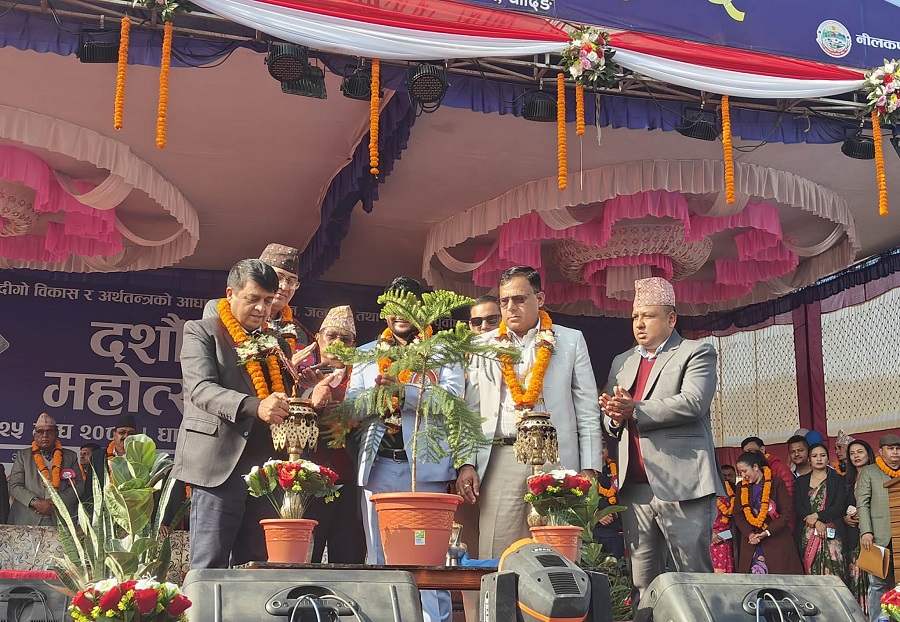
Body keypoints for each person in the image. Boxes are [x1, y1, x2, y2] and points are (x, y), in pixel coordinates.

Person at [457, 266, 603, 559]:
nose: (510, 307)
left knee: (559, 551)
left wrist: (589, 467)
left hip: (556, 457)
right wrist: (466, 463)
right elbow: (470, 411)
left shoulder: (570, 340)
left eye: (519, 299)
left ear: (540, 298)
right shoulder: (482, 346)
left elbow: (587, 408)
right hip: (503, 455)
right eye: (504, 301)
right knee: (497, 551)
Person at [599, 276, 722, 612]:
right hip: (635, 488)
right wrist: (614, 417)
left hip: (684, 484)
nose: (639, 324)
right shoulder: (622, 361)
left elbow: (693, 402)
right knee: (642, 583)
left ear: (671, 318)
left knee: (693, 577)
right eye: (635, 316)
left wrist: (634, 410)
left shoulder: (696, 352)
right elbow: (611, 417)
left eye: (648, 316)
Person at [348, 276, 463, 622]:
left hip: (425, 470)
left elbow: (452, 399)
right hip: (379, 466)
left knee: (427, 561)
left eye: (408, 305)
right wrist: (376, 396)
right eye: (393, 305)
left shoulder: (441, 351)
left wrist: (405, 392)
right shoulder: (367, 353)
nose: (399, 313)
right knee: (380, 557)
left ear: (422, 309)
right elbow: (351, 406)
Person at [171, 258, 293, 569]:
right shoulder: (201, 331)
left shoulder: (276, 344)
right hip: (219, 465)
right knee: (209, 565)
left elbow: (284, 396)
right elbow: (200, 390)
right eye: (253, 298)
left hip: (265, 472)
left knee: (257, 567)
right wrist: (256, 406)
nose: (261, 309)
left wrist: (310, 394)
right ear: (230, 294)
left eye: (268, 300)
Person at [298, 305, 367, 564]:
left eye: (345, 339)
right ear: (318, 338)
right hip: (308, 481)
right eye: (331, 336)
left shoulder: (363, 380)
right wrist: (311, 401)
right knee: (306, 560)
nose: (338, 343)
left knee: (349, 559)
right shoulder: (298, 376)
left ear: (354, 345)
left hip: (352, 483)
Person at [203, 243, 314, 359]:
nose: (285, 286)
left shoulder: (297, 332)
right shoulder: (220, 308)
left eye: (291, 281)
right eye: (278, 277)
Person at [733, 451, 803, 575]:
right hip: (752, 541)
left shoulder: (777, 483)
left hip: (776, 540)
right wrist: (750, 534)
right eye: (740, 472)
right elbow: (738, 514)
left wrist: (767, 532)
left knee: (780, 580)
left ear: (755, 467)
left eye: (744, 471)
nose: (743, 475)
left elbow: (786, 513)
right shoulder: (741, 486)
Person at [8, 413, 83, 526]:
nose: (44, 435)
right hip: (27, 518)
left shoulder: (70, 456)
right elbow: (14, 485)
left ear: (57, 433)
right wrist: (35, 502)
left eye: (49, 431)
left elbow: (79, 485)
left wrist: (56, 502)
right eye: (40, 432)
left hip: (60, 518)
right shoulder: (23, 456)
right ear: (34, 435)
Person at [857, 433, 900, 622]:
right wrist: (866, 531)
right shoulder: (870, 472)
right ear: (880, 451)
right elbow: (862, 503)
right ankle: (878, 620)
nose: (895, 452)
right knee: (877, 584)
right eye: (891, 449)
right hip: (878, 536)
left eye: (898, 448)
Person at [794, 443, 847, 579]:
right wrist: (816, 522)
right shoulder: (800, 482)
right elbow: (798, 506)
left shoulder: (837, 480)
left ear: (828, 459)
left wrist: (818, 516)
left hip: (833, 532)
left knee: (835, 573)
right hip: (808, 531)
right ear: (809, 460)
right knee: (811, 574)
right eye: (814, 456)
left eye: (822, 455)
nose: (819, 459)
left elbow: (839, 506)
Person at [844, 439, 876, 615]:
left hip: (874, 533)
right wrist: (845, 518)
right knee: (856, 576)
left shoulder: (878, 475)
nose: (856, 456)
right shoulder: (847, 480)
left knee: (876, 579)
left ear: (868, 454)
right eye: (852, 453)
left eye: (859, 452)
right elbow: (840, 505)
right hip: (853, 536)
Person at [594, 443, 625, 559]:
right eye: (596, 445)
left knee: (616, 567)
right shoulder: (583, 472)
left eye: (603, 446)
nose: (600, 450)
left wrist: (613, 512)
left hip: (614, 533)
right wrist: (597, 515)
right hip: (591, 532)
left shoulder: (618, 469)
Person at [711, 465, 736, 573]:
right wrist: (711, 533)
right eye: (724, 476)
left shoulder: (741, 493)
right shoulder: (711, 496)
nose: (727, 479)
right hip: (713, 540)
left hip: (732, 541)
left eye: (730, 475)